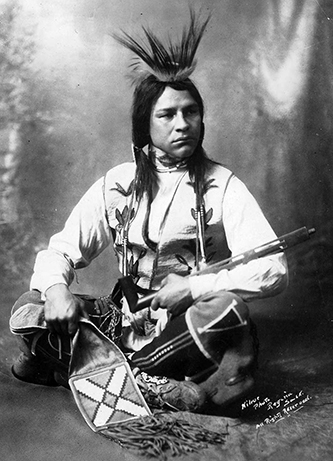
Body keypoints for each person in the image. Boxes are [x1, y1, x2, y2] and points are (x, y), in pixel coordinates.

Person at [10, 12, 288, 414]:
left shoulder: (222, 185)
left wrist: (193, 288)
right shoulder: (117, 184)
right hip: (121, 323)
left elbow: (273, 266)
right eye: (168, 114)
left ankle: (98, 373)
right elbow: (60, 251)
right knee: (29, 307)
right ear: (146, 123)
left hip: (181, 328)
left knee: (227, 311)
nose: (183, 124)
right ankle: (152, 385)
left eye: (191, 112)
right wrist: (55, 292)